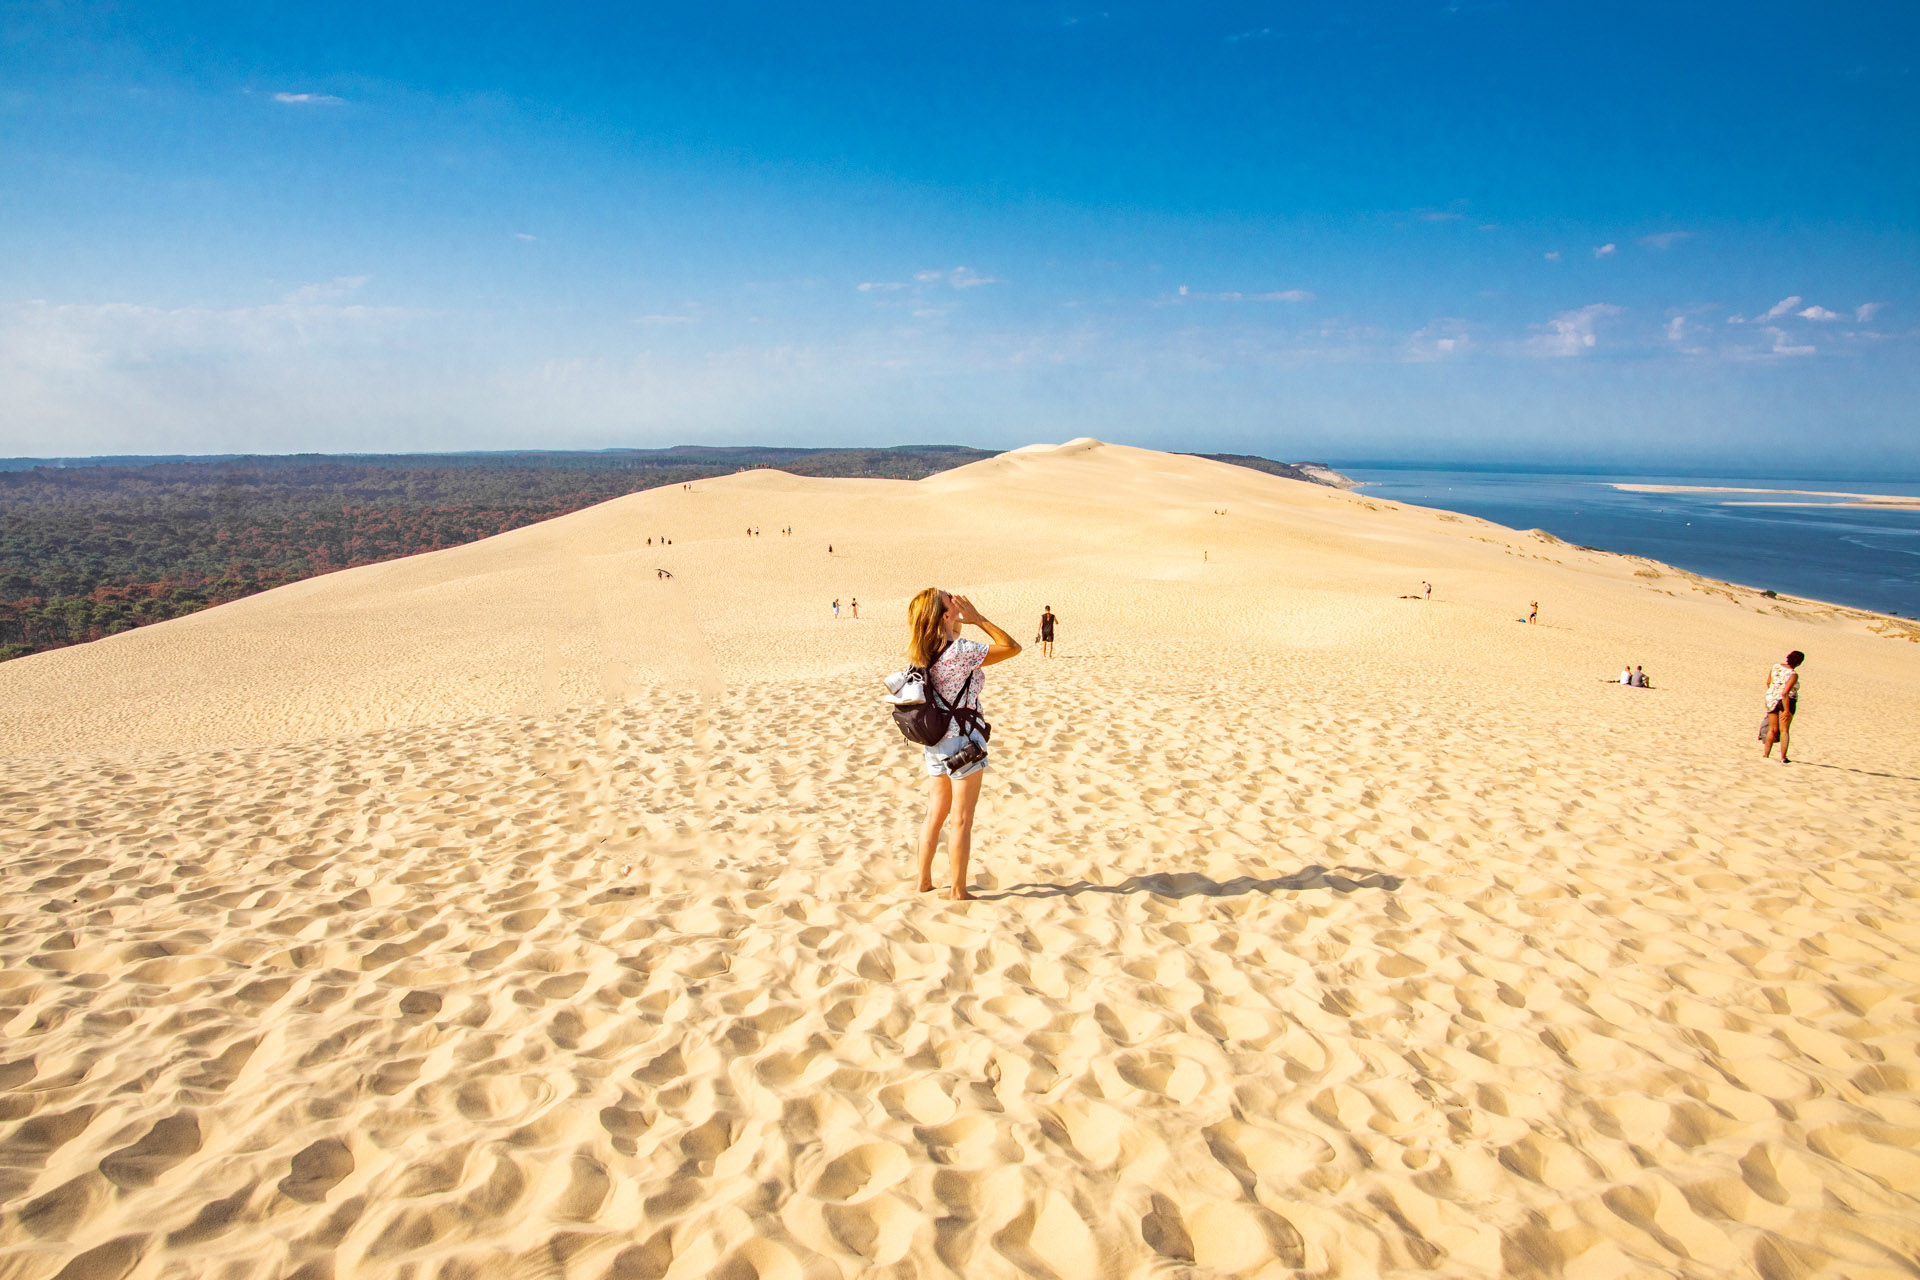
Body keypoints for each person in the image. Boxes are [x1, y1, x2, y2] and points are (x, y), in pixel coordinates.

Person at [906, 588, 1021, 900]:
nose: (957, 600)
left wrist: (961, 621)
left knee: (934, 814)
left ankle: (924, 881)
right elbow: (1012, 647)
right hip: (962, 744)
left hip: (935, 742)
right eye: (949, 600)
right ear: (944, 615)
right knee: (961, 819)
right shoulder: (960, 650)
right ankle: (958, 890)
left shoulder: (923, 649)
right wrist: (977, 619)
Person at [1763, 650, 1804, 764]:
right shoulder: (1793, 674)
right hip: (1786, 701)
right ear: (1799, 663)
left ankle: (1766, 754)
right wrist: (1786, 710)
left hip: (1771, 699)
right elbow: (1785, 692)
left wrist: (1773, 694)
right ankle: (1783, 757)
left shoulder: (1775, 667)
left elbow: (1768, 683)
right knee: (1784, 730)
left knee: (1772, 729)